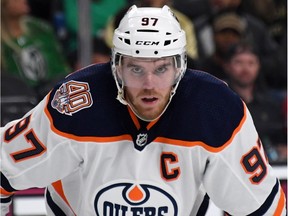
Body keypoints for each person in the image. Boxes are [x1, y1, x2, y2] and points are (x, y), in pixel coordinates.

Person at [0, 5, 286, 215]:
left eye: (161, 68)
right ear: (117, 68)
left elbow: (262, 208)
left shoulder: (217, 111)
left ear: (179, 68)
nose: (149, 84)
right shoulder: (75, 103)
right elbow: (3, 167)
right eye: (136, 68)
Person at [224, 42, 287, 163]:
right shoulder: (218, 102)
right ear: (227, 66)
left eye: (251, 63)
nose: (245, 69)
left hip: (272, 167)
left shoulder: (272, 104)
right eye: (239, 62)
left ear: (259, 66)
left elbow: (281, 139)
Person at [1, 0, 71, 101]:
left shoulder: (40, 29)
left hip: (53, 92)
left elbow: (60, 67)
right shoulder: (2, 44)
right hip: (17, 99)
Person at [196, 11, 245, 81]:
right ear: (214, 36)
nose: (229, 38)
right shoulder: (201, 69)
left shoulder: (245, 72)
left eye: (234, 34)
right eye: (224, 33)